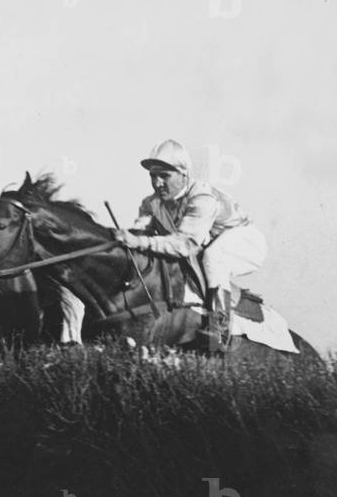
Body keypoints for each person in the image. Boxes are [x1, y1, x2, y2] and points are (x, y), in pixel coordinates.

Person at [113, 139, 267, 351]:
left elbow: (186, 245)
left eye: (164, 176)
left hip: (245, 240)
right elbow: (140, 235)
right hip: (205, 243)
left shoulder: (202, 197)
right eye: (152, 176)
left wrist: (139, 241)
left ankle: (220, 332)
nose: (157, 183)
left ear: (183, 174)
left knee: (214, 257)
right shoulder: (151, 203)